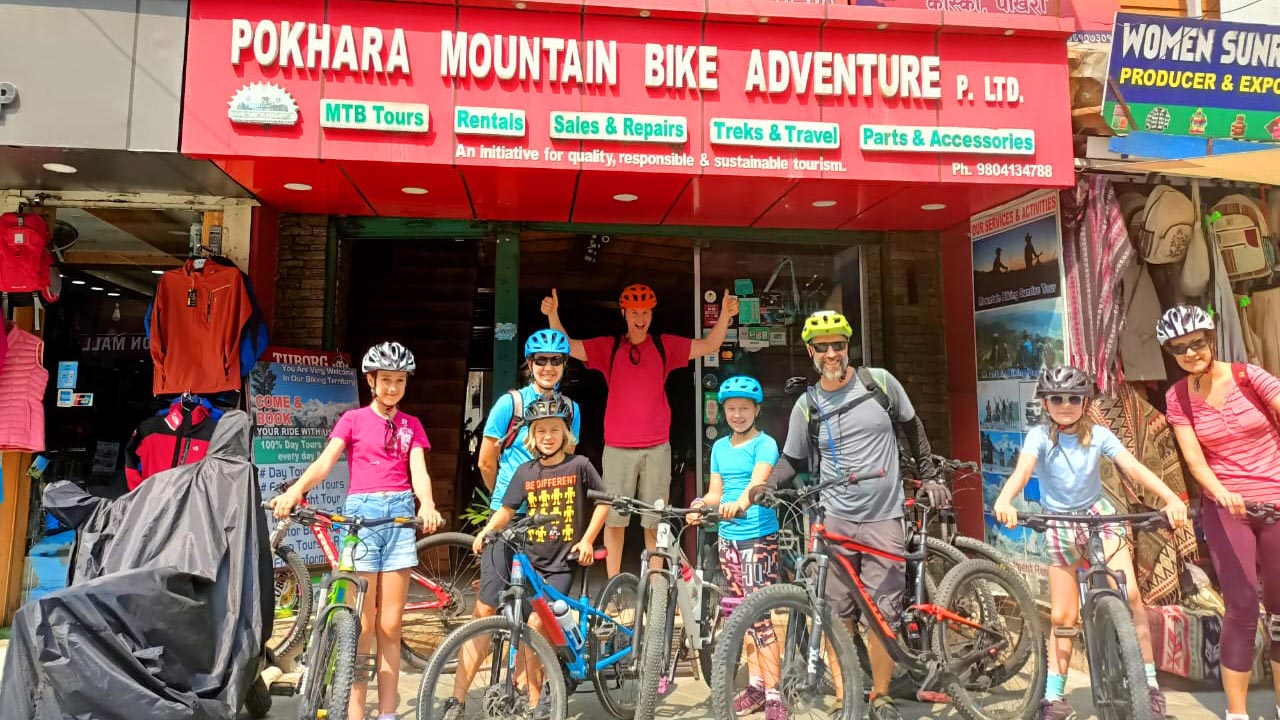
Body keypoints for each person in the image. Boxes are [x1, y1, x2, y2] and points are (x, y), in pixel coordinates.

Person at [766, 310, 950, 720]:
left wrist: (930, 475)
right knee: (836, 613)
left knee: (883, 612)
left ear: (848, 347)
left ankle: (881, 696)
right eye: (823, 347)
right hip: (835, 520)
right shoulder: (807, 405)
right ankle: (844, 696)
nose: (832, 353)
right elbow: (792, 459)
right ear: (811, 352)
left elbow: (913, 428)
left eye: (839, 345)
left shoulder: (880, 383)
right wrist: (767, 485)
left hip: (884, 516)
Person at [992, 365, 1188, 720]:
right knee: (1063, 615)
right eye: (1057, 399)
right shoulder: (1038, 437)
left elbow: (1133, 467)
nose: (1065, 405)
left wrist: (1171, 498)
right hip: (1060, 522)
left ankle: (1149, 686)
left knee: (1131, 597)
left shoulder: (1098, 434)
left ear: (1085, 402)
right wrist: (1005, 500)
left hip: (1099, 516)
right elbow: (1023, 471)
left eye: (1074, 398)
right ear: (1045, 403)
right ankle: (1054, 698)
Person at [269, 342, 444, 720]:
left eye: (400, 381)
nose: (393, 388)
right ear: (371, 381)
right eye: (386, 380)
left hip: (398, 517)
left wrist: (427, 504)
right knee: (361, 624)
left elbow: (419, 471)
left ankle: (387, 713)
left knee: (390, 625)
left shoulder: (412, 425)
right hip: (361, 517)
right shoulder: (352, 420)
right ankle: (354, 712)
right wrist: (296, 492)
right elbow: (325, 462)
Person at [542, 283, 738, 577]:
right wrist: (553, 315)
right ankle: (613, 584)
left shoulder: (664, 346)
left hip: (657, 447)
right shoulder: (609, 347)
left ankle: (655, 586)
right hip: (617, 448)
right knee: (614, 520)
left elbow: (710, 345)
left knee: (654, 520)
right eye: (634, 312)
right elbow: (567, 345)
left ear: (652, 315)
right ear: (624, 313)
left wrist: (724, 315)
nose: (640, 318)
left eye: (646, 312)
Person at [443, 329, 582, 720]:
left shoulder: (572, 410)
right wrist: (505, 500)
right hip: (509, 519)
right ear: (529, 364)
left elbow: (569, 458)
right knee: (485, 609)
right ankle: (457, 699)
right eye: (541, 360)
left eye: (556, 361)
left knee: (536, 614)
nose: (548, 367)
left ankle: (529, 695)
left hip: (549, 519)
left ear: (564, 365)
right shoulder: (511, 404)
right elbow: (487, 461)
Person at [1157, 305, 1280, 720]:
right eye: (1179, 348)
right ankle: (1237, 713)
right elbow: (1195, 462)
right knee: (1241, 606)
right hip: (1228, 507)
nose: (1190, 353)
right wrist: (1222, 493)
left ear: (1211, 339)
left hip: (1276, 501)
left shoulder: (1250, 377)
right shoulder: (1177, 397)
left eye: (1196, 343)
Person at [467, 394, 611, 716]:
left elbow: (604, 502)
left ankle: (537, 704)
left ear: (566, 434)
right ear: (532, 435)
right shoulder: (525, 471)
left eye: (555, 430)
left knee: (535, 622)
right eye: (541, 430)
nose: (548, 436)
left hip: (562, 564)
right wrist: (487, 531)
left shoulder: (580, 465)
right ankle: (538, 691)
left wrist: (587, 540)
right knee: (521, 622)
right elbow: (506, 510)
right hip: (531, 564)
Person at [685, 376, 786, 720]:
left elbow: (756, 485)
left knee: (760, 616)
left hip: (758, 536)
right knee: (740, 614)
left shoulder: (765, 444)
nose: (737, 415)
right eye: (731, 409)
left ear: (757, 410)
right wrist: (701, 504)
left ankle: (775, 695)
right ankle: (756, 686)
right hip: (727, 538)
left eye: (744, 408)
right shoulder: (719, 448)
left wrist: (740, 504)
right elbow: (716, 492)